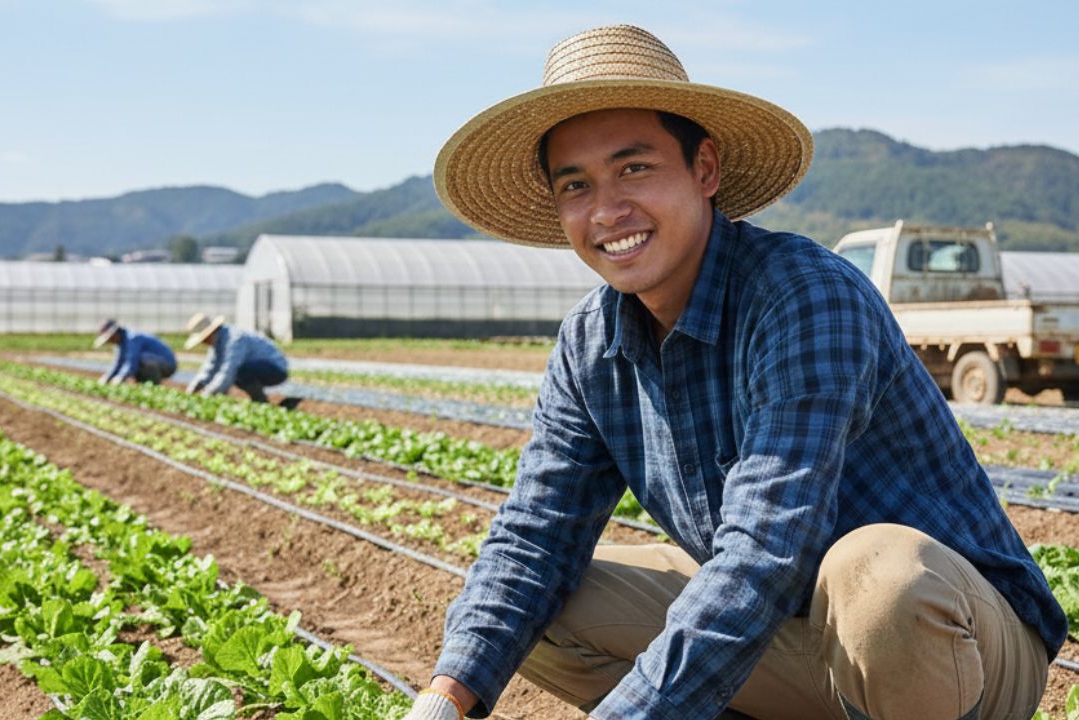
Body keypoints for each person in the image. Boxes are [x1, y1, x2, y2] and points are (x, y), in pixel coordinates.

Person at [401, 24, 1064, 720]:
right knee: (538, 606)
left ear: (705, 169)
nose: (607, 210)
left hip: (956, 649)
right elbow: (536, 532)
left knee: (879, 576)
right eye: (576, 184)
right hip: (796, 635)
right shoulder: (590, 343)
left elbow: (768, 548)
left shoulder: (804, 297)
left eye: (634, 168)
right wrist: (442, 701)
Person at [183, 312, 293, 405]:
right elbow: (209, 368)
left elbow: (228, 370)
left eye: (203, 340)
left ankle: (260, 401)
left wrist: (208, 394)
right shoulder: (217, 343)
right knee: (238, 373)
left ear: (209, 334)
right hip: (258, 368)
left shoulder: (234, 339)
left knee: (239, 372)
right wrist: (192, 390)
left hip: (276, 369)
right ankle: (259, 400)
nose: (203, 343)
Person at [94, 318, 177, 385]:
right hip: (153, 361)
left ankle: (154, 384)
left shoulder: (132, 338)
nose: (110, 342)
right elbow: (118, 363)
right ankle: (145, 384)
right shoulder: (120, 343)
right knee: (136, 363)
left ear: (115, 333)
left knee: (141, 359)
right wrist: (107, 378)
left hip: (167, 364)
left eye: (110, 339)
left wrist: (120, 377)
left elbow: (132, 361)